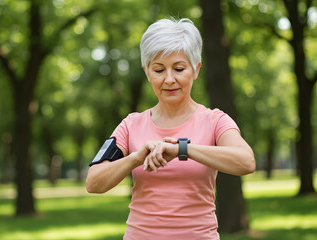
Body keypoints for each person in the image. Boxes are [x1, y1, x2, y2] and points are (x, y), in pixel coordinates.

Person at [85, 18, 255, 240]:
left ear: (196, 69)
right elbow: (93, 183)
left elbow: (246, 161)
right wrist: (137, 157)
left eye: (179, 68)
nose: (169, 79)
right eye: (158, 70)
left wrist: (182, 149)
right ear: (147, 72)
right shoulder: (131, 125)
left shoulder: (215, 121)